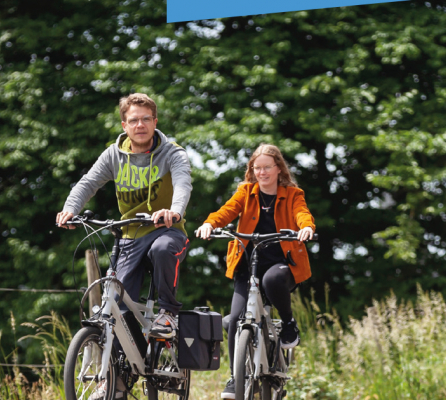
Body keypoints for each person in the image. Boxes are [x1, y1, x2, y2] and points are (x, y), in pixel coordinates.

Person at [56, 92, 192, 340]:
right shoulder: (114, 154)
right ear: (124, 125)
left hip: (167, 230)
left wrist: (174, 211)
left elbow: (183, 183)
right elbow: (88, 182)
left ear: (155, 122)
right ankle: (118, 373)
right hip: (130, 234)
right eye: (133, 120)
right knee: (116, 306)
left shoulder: (173, 153)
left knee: (162, 250)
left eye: (146, 119)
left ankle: (168, 312)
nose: (140, 125)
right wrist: (70, 208)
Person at [196, 144, 315, 400]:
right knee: (237, 318)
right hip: (248, 265)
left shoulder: (293, 194)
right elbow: (226, 211)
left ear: (278, 169)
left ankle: (288, 324)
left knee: (272, 280)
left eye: (267, 167)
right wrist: (209, 223)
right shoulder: (245, 192)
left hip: (281, 264)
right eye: (256, 168)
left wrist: (306, 228)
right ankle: (234, 377)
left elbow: (302, 214)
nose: (261, 172)